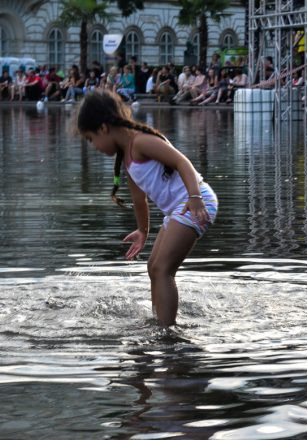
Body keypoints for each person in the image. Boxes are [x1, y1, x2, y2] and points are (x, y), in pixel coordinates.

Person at [77, 90, 218, 326]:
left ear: (103, 128)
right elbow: (139, 199)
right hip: (179, 208)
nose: (94, 146)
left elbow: (182, 162)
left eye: (91, 139)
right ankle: (159, 321)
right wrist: (143, 231)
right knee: (153, 267)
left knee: (163, 269)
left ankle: (167, 331)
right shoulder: (128, 157)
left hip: (195, 202)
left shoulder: (141, 142)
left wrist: (194, 197)